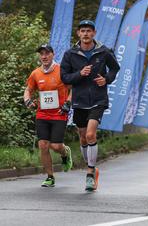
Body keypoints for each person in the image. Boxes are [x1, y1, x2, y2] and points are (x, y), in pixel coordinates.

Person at [60, 20, 120, 191]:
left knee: (91, 134)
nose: (85, 34)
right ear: (78, 33)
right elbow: (64, 77)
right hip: (79, 101)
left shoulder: (103, 51)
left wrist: (106, 79)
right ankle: (91, 165)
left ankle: (90, 172)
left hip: (98, 99)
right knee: (83, 137)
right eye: (82, 31)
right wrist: (80, 73)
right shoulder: (70, 54)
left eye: (89, 31)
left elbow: (115, 68)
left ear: (94, 33)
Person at [24, 44, 73, 187]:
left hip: (59, 114)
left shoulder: (61, 71)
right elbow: (28, 90)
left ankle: (65, 152)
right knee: (43, 145)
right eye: (41, 54)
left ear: (53, 54)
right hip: (42, 114)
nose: (44, 56)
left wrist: (68, 103)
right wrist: (27, 101)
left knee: (56, 146)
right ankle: (50, 177)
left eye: (47, 53)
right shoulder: (35, 74)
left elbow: (73, 89)